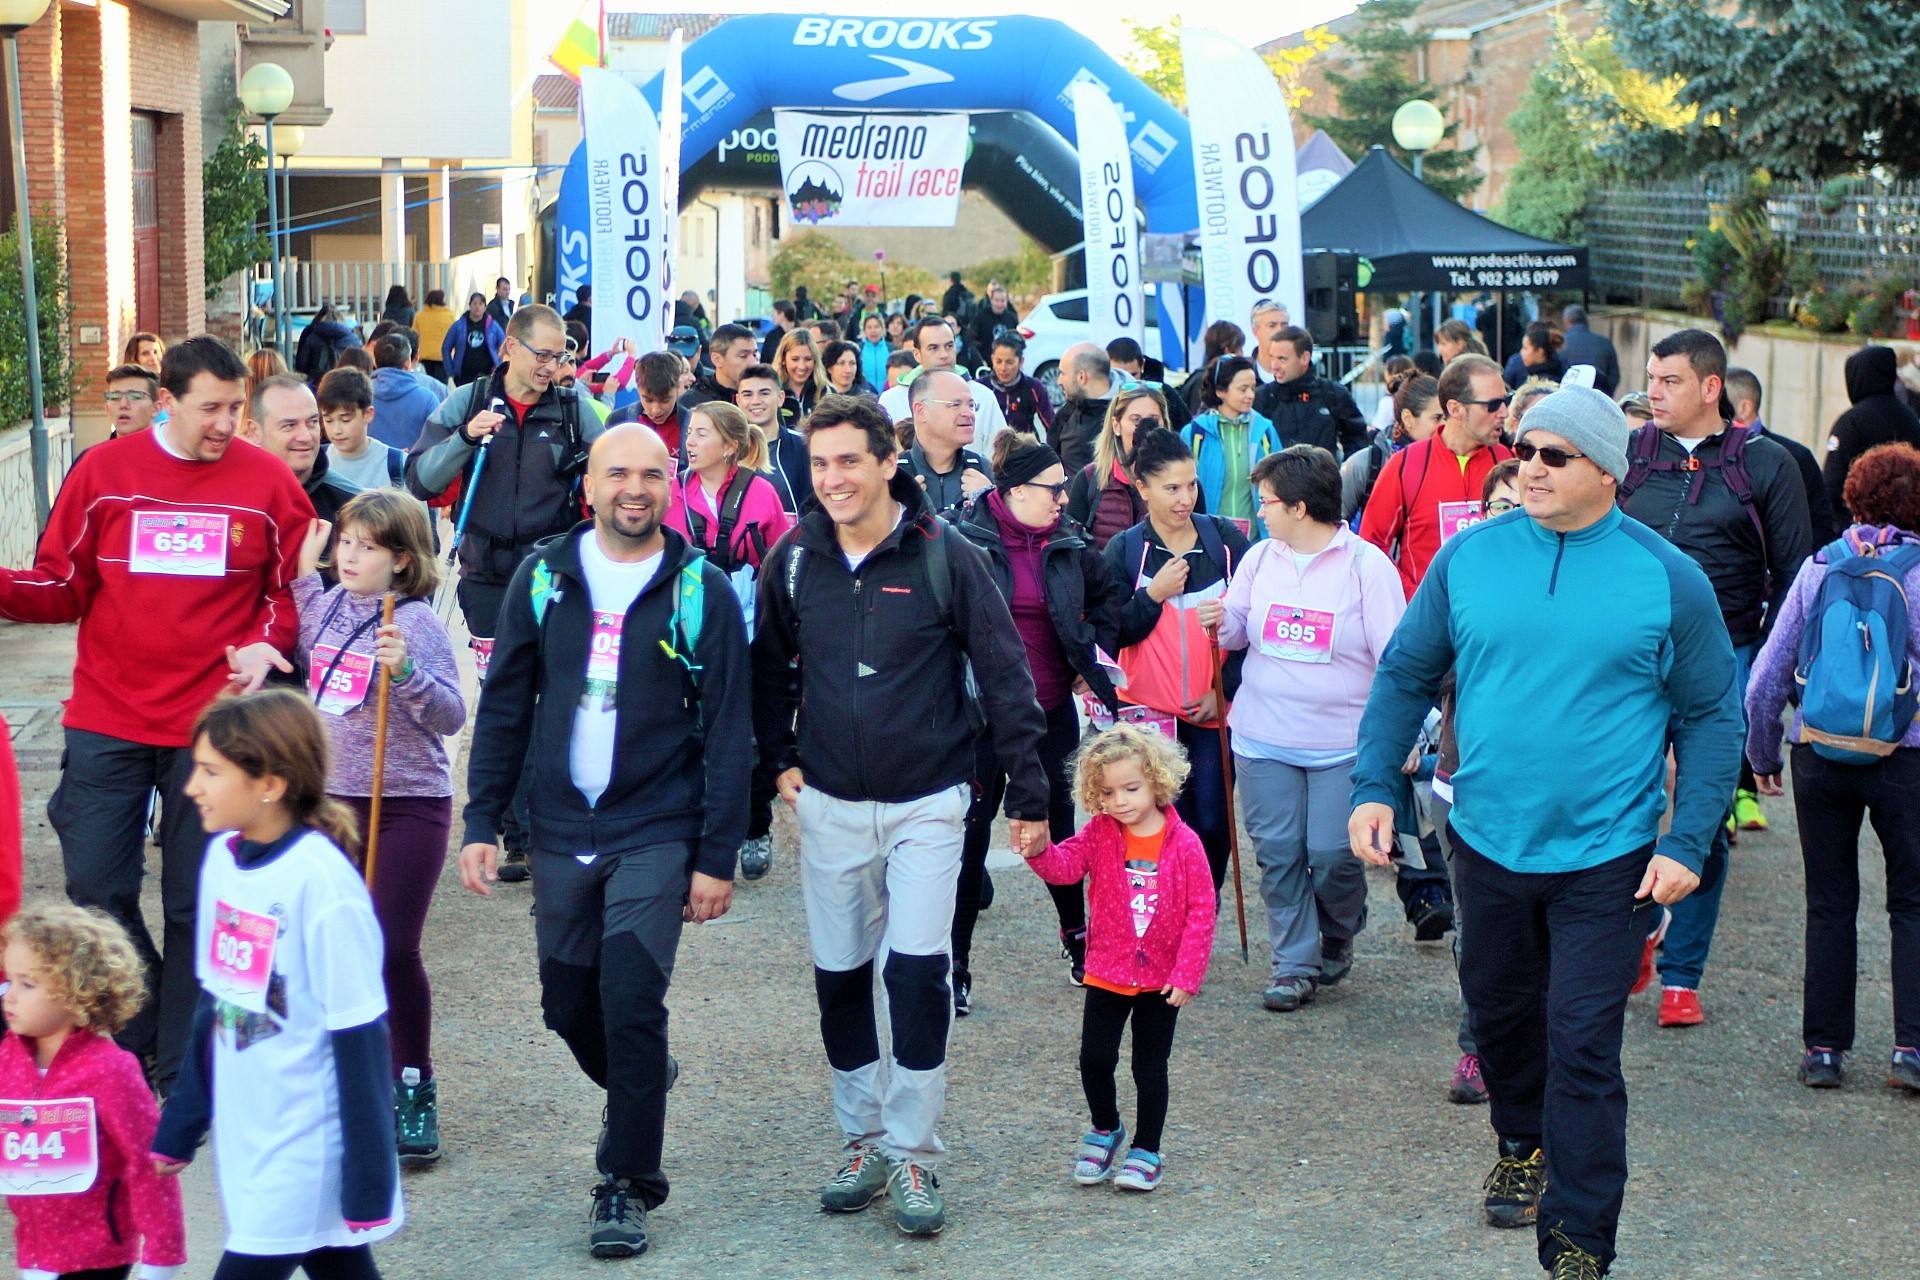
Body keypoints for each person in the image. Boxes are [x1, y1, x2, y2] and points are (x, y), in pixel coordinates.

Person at [1348, 386, 1741, 1280]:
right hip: (1484, 840)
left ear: (1605, 469)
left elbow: (1714, 715)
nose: (1527, 466)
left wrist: (1686, 843)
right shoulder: (1471, 559)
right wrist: (1374, 784)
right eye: (1522, 449)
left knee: (1584, 1043)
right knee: (1502, 1020)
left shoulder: (1666, 576)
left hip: (1609, 858)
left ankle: (1577, 1242)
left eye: (1552, 455)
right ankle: (1520, 1141)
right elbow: (1405, 674)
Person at [751, 394, 1048, 1239]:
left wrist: (1028, 793)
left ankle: (914, 1150)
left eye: (850, 461)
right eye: (820, 464)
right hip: (832, 804)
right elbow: (766, 667)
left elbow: (1004, 676)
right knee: (840, 975)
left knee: (915, 975)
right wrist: (779, 761)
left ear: (889, 462)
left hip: (930, 801)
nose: (834, 479)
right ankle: (864, 1138)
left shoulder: (946, 555)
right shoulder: (796, 557)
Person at [455, 423, 746, 1258]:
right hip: (558, 823)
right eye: (619, 473)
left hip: (656, 825)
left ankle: (627, 1183)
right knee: (566, 1005)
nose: (636, 489)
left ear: (673, 485)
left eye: (654, 474)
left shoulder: (702, 587)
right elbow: (506, 703)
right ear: (590, 486)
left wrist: (715, 855)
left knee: (629, 998)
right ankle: (643, 1078)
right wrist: (481, 821)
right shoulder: (544, 578)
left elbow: (730, 729)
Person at [0, 339, 313, 1090]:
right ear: (166, 401)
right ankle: (141, 1029)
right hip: (107, 716)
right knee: (96, 889)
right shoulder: (104, 475)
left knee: (194, 901)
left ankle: (181, 1064)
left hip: (215, 732)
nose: (226, 423)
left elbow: (291, 592)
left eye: (236, 408)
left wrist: (269, 648)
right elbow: (61, 585)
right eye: (211, 408)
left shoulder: (267, 483)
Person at [154, 690, 402, 1277]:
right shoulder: (221, 861)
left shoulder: (323, 887)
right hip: (252, 1132)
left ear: (270, 783)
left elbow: (361, 1034)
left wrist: (370, 1178)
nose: (192, 788)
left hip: (306, 1144)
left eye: (212, 772)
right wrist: (184, 1120)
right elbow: (217, 1002)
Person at [1623, 328, 1810, 1029]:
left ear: (1710, 387)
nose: (1653, 393)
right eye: (1650, 379)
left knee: (1704, 814)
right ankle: (1633, 933)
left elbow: (1796, 578)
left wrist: (1770, 674)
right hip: (1628, 659)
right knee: (1622, 801)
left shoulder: (1768, 465)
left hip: (1725, 658)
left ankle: (1682, 973)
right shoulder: (1629, 454)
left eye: (1667, 381)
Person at [291, 491, 466, 1164]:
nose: (351, 555)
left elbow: (451, 715)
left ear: (402, 560)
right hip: (332, 803)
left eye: (368, 546)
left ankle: (413, 1083)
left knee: (390, 946)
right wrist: (308, 571)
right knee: (332, 945)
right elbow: (303, 628)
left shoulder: (415, 621)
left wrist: (409, 673)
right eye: (346, 543)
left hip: (406, 804)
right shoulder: (328, 603)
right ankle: (347, 1081)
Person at [1745, 442, 1920, 1094]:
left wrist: (1763, 755)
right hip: (1905, 754)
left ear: (1853, 495)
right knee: (1911, 902)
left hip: (1818, 748)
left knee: (1829, 903)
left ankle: (1823, 1050)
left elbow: (1766, 675)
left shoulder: (1821, 567)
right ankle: (1911, 1049)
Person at [407, 304, 604, 879]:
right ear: (509, 347)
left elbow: (616, 463)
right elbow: (420, 478)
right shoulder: (467, 402)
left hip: (557, 577)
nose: (552, 366)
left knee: (555, 698)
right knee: (506, 696)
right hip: (489, 578)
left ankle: (542, 828)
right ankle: (515, 832)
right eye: (543, 353)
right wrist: (467, 439)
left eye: (561, 355)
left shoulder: (573, 409)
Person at [1220, 445, 1405, 1012]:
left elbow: (1396, 658)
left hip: (1341, 746)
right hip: (1262, 736)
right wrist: (1217, 616)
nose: (1261, 511)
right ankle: (1293, 965)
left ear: (1300, 507)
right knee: (1276, 853)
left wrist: (1404, 735)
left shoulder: (1367, 566)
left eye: (1268, 501)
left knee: (1331, 855)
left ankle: (1340, 927)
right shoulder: (1258, 558)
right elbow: (1234, 634)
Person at [950, 433, 1127, 1008]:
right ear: (1017, 490)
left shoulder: (1070, 543)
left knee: (1058, 829)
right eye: (1054, 490)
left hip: (1050, 712)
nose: (1064, 501)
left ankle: (1077, 938)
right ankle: (955, 964)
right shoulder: (965, 539)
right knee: (970, 839)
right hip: (979, 719)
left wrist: (1088, 655)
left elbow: (1109, 601)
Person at [1020, 724, 1216, 1193]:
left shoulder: (1184, 844)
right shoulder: (1099, 834)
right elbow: (1064, 868)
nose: (1120, 800)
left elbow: (1202, 912)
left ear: (1158, 781)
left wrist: (1188, 974)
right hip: (1107, 970)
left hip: (1161, 979)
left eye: (1131, 788)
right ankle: (1105, 1128)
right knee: (1094, 1059)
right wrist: (1039, 850)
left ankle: (1147, 1148)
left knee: (1150, 1067)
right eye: (1107, 792)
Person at [0, 903, 186, 1279]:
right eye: (9, 980)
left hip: (96, 1257)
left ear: (76, 994)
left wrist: (161, 1258)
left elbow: (147, 1165)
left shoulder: (111, 1070)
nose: (10, 996)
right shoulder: (8, 1058)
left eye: (28, 984)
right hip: (33, 1253)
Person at [1106, 429, 1253, 889]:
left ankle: (1201, 909)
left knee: (1211, 823)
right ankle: (1170, 910)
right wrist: (1152, 595)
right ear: (1142, 486)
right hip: (1148, 717)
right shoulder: (1125, 550)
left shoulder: (1225, 540)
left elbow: (1254, 626)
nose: (1185, 497)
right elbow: (1110, 632)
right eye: (1171, 488)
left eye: (1190, 485)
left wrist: (1222, 688)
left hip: (1211, 712)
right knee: (1163, 823)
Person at [1360, 354, 1514, 601]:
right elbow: (1370, 546)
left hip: (1492, 617)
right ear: (1455, 409)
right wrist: (1413, 597)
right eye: (1493, 405)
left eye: (1506, 401)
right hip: (1426, 623)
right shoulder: (1407, 464)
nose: (1504, 412)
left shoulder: (1507, 462)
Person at [1727, 365, 1834, 547]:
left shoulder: (1795, 457)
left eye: (1719, 404)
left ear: (1744, 408)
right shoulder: (1699, 453)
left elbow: (1821, 527)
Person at [1184, 355, 1281, 538]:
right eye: (1243, 389)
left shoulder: (1265, 430)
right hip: (1207, 538)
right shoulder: (1195, 433)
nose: (1251, 395)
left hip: (1257, 540)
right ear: (1220, 391)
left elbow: (1282, 484)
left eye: (1253, 388)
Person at [1824, 344, 1920, 529]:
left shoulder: (1851, 422)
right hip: (1908, 530)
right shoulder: (1909, 419)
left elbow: (1831, 483)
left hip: (1861, 530)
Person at [246, 374, 362, 527]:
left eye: (312, 422)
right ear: (254, 432)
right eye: (290, 425)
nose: (305, 437)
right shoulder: (230, 499)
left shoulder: (352, 507)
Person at [877, 318, 1009, 449]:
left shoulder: (983, 396)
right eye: (933, 348)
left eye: (949, 346)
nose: (944, 354)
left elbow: (1000, 455)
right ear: (917, 354)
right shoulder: (892, 400)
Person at [1066, 384, 1167, 550]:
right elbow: (1072, 546)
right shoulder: (1090, 479)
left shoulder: (1183, 482)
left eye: (1153, 420)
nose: (1144, 427)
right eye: (1136, 420)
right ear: (1116, 425)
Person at [1252, 326, 1369, 460]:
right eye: (1272, 358)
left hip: (1322, 479)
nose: (1274, 366)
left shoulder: (1332, 394)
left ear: (1304, 358)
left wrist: (1346, 472)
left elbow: (1357, 438)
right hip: (1277, 479)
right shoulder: (1261, 398)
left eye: (1282, 359)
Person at [1342, 372, 1441, 524]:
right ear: (1408, 418)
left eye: (1448, 417)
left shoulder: (1453, 459)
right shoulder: (1365, 464)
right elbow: (1331, 528)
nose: (1445, 425)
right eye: (1437, 418)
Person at [897, 369, 993, 518]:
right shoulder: (894, 475)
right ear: (921, 411)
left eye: (971, 405)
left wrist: (989, 502)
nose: (968, 414)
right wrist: (900, 510)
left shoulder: (983, 470)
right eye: (955, 404)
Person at [734, 363, 810, 515]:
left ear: (780, 398)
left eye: (764, 393)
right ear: (738, 400)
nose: (756, 401)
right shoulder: (728, 449)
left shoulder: (804, 445)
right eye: (748, 394)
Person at [319, 367, 404, 492]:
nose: (336, 430)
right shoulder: (316, 463)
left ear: (368, 414)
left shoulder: (396, 465)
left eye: (345, 420)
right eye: (328, 420)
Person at [607, 350, 691, 456]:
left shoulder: (692, 426)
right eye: (648, 400)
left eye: (665, 400)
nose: (656, 410)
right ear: (638, 388)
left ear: (678, 387)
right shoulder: (617, 422)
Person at [367, 332, 441, 452]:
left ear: (375, 362)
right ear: (407, 363)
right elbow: (439, 444)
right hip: (412, 467)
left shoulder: (360, 396)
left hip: (368, 468)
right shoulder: (427, 399)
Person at [1051, 342, 1117, 475]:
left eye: (1063, 374)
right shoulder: (1067, 412)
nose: (1059, 381)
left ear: (1082, 377)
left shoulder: (1128, 412)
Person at [980, 334, 1055, 440]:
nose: (1003, 368)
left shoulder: (1034, 387)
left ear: (1021, 361)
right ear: (992, 360)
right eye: (998, 361)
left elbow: (1052, 426)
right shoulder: (981, 387)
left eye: (1009, 362)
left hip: (1025, 448)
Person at [683, 323, 759, 410]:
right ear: (717, 359)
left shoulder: (766, 397)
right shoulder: (693, 404)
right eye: (743, 355)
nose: (753, 362)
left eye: (755, 354)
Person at [443, 292, 504, 387]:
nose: (477, 307)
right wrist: (450, 370)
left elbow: (504, 345)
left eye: (480, 304)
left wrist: (498, 364)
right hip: (463, 376)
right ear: (469, 305)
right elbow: (446, 348)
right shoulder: (458, 325)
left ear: (485, 307)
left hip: (487, 375)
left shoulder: (493, 325)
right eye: (474, 303)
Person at [294, 303, 361, 388]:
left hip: (317, 384)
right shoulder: (352, 338)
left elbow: (301, 364)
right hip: (346, 384)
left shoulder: (310, 334)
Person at [1559, 305, 1620, 396]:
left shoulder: (1559, 344)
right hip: (1599, 399)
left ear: (1566, 322)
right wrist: (1605, 396)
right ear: (1586, 321)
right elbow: (1614, 375)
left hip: (1566, 400)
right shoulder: (1604, 343)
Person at [774, 328, 829, 423]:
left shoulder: (827, 393)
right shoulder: (771, 393)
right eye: (795, 359)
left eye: (808, 359)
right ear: (783, 360)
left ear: (815, 360)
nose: (802, 366)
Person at [1503, 323, 1567, 390]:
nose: (1521, 352)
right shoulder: (1516, 363)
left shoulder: (1561, 369)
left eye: (1525, 348)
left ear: (1539, 351)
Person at [104, 361, 160, 437]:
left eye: (135, 396)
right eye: (115, 396)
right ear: (107, 408)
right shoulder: (97, 449)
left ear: (156, 408)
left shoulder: (173, 448)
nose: (123, 405)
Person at [967, 281, 1021, 356]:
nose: (999, 304)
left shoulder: (1012, 318)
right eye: (996, 300)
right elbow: (971, 338)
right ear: (991, 300)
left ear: (1006, 301)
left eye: (1002, 301)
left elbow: (1018, 340)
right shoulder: (980, 317)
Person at [413, 289, 456, 382]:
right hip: (443, 356)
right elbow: (454, 336)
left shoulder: (419, 316)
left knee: (427, 384)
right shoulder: (449, 316)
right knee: (441, 387)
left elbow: (414, 336)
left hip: (425, 357)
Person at [1249, 300, 1289, 382]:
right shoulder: (1243, 372)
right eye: (1272, 325)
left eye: (1284, 325)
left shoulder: (1299, 371)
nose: (1279, 330)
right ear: (1255, 331)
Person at [858, 312, 892, 390]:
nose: (873, 330)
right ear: (864, 330)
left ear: (882, 329)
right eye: (869, 327)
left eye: (876, 327)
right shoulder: (858, 349)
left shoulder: (891, 348)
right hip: (865, 396)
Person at [762, 300, 798, 364]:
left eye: (773, 312)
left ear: (782, 314)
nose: (771, 316)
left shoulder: (802, 333)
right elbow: (764, 360)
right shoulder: (772, 336)